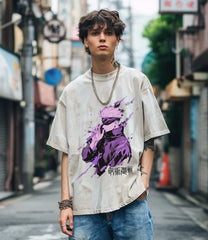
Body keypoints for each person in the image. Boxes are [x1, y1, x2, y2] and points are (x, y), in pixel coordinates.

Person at [47, 9, 170, 240]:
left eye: (109, 32)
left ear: (117, 39)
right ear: (85, 40)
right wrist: (65, 204)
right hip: (85, 208)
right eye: (95, 33)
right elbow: (67, 152)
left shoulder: (137, 81)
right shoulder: (72, 92)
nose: (102, 38)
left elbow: (150, 138)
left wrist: (143, 184)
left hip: (130, 202)